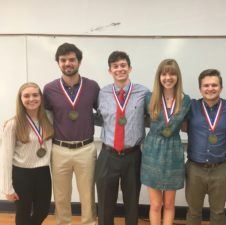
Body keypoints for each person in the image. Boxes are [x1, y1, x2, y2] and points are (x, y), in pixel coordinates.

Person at [43, 43, 100, 225]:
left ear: (79, 62)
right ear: (58, 63)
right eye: (63, 60)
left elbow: (105, 114)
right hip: (59, 150)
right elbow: (40, 115)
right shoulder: (49, 89)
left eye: (72, 59)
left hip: (86, 148)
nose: (68, 63)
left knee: (88, 196)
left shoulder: (92, 86)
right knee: (61, 196)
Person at [95, 51, 149, 225]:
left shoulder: (144, 92)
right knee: (104, 202)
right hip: (108, 154)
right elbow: (97, 117)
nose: (120, 69)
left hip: (132, 155)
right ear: (110, 70)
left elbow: (154, 116)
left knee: (132, 202)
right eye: (115, 66)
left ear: (130, 68)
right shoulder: (102, 93)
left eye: (123, 65)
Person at [140, 59, 191, 225]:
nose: (168, 77)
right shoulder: (149, 98)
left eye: (172, 73)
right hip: (152, 152)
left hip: (173, 152)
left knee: (169, 203)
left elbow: (186, 125)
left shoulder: (186, 100)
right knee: (156, 204)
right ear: (159, 76)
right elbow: (141, 121)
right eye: (164, 73)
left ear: (178, 77)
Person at [184, 69, 226, 225]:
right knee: (193, 212)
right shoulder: (191, 106)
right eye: (206, 85)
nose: (210, 88)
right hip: (195, 168)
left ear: (221, 87)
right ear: (200, 88)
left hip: (220, 169)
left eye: (214, 85)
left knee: (218, 212)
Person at [0, 82, 54, 225]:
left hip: (43, 172)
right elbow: (6, 158)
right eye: (26, 96)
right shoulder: (13, 124)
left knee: (43, 211)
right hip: (21, 174)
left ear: (41, 97)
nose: (31, 99)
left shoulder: (49, 118)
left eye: (35, 95)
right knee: (23, 212)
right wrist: (7, 187)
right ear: (20, 99)